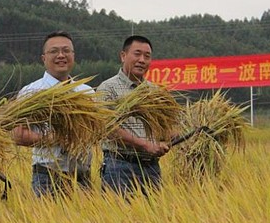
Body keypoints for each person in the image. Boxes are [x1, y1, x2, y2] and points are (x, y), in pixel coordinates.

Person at [12, 31, 93, 197]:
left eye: (66, 51)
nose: (61, 55)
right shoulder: (31, 92)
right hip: (47, 177)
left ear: (73, 55)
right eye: (54, 51)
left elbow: (97, 132)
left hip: (82, 177)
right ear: (43, 58)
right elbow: (17, 135)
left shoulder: (87, 93)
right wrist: (55, 138)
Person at [97, 35, 170, 196]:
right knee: (117, 219)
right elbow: (107, 128)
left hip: (151, 168)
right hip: (120, 167)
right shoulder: (108, 88)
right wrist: (145, 145)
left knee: (154, 219)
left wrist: (165, 140)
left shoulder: (155, 92)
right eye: (137, 54)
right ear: (123, 56)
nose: (142, 60)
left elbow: (164, 127)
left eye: (147, 56)